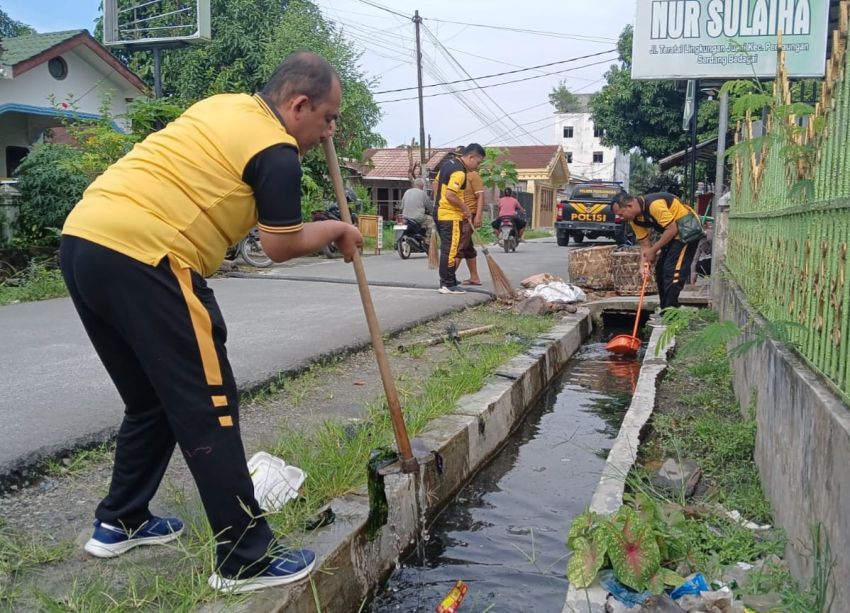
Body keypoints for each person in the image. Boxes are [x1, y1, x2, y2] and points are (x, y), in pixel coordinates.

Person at [59, 52, 362, 594]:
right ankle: (244, 555)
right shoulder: (277, 151)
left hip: (84, 241)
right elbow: (279, 244)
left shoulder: (224, 108)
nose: (330, 131)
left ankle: (121, 519)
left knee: (151, 399)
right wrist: (339, 228)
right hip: (148, 255)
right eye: (330, 117)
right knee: (210, 405)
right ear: (299, 105)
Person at [610, 191, 703, 310]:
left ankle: (670, 311)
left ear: (630, 206)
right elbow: (644, 244)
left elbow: (672, 228)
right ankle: (665, 308)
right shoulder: (634, 220)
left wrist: (653, 250)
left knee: (672, 271)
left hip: (686, 232)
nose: (621, 218)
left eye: (622, 214)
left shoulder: (654, 205)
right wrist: (643, 266)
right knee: (660, 269)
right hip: (673, 235)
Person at [433, 143, 485, 294]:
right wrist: (465, 208)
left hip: (440, 212)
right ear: (471, 157)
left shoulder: (447, 164)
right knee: (450, 250)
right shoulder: (460, 172)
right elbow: (450, 194)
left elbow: (437, 187)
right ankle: (447, 284)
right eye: (478, 162)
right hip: (450, 216)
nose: (477, 166)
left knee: (449, 248)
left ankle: (450, 280)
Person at [457, 167, 485, 285]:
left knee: (459, 247)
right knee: (467, 247)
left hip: (469, 216)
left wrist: (478, 216)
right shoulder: (455, 175)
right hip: (457, 215)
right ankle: (474, 277)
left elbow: (480, 197)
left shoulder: (473, 175)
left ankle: (447, 278)